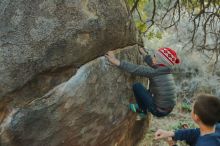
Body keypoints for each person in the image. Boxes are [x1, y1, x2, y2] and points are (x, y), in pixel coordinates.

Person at [105, 47, 180, 119]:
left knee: (137, 86)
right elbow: (153, 63)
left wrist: (116, 61)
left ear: (159, 61)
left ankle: (142, 110)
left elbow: (136, 69)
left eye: (154, 56)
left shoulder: (155, 72)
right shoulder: (166, 70)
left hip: (158, 110)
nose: (153, 57)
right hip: (168, 108)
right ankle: (145, 107)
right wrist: (144, 54)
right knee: (150, 91)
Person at [154, 94, 220, 146]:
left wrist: (172, 145)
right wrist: (170, 133)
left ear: (196, 117)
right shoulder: (215, 128)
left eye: (192, 110)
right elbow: (195, 133)